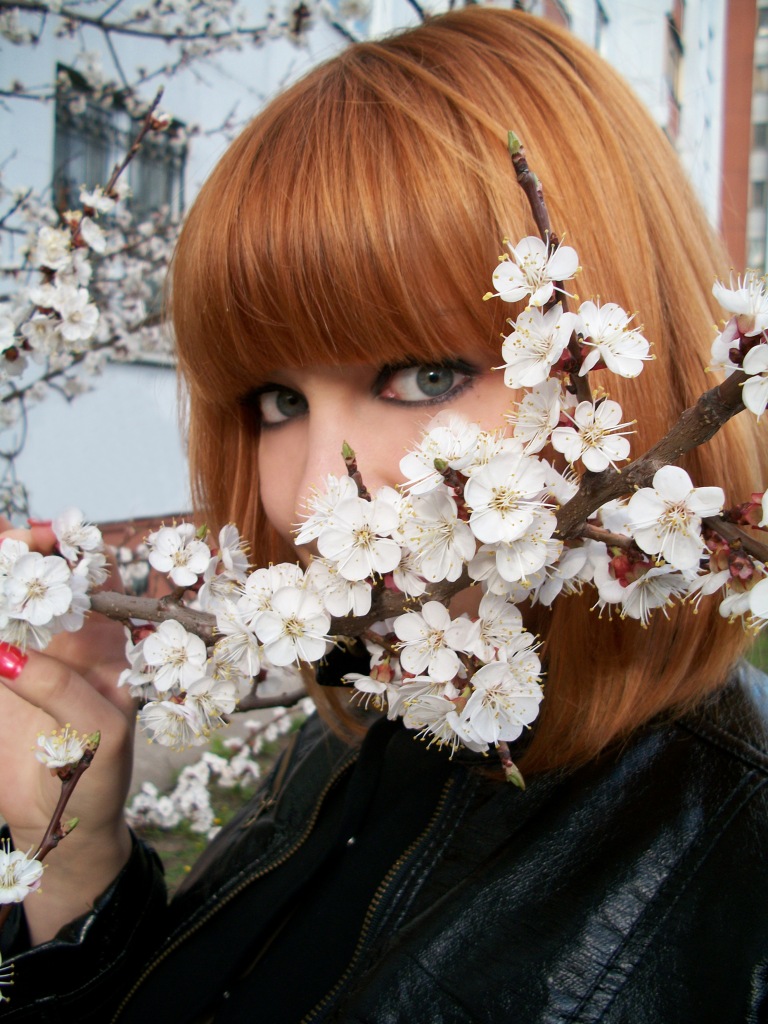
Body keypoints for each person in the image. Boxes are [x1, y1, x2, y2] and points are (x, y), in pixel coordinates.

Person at [0, 7, 767, 1021]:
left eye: (426, 374)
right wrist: (75, 866)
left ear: (601, 361)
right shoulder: (371, 722)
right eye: (279, 400)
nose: (311, 497)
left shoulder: (741, 867)